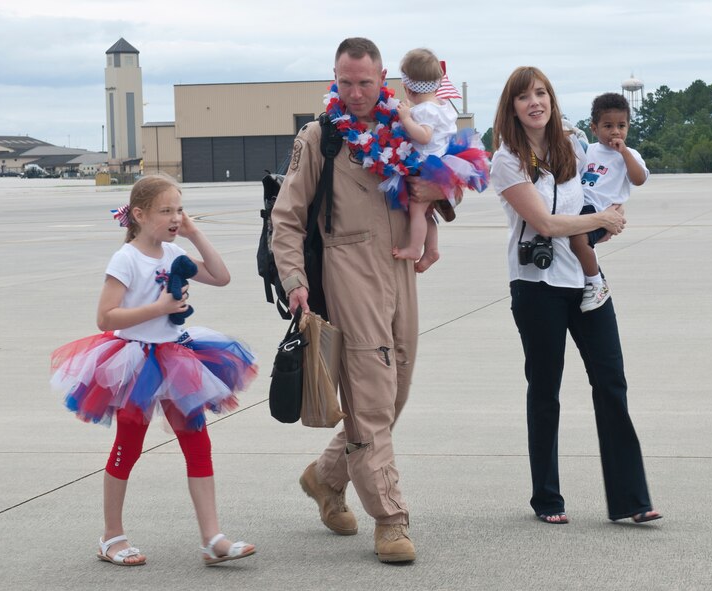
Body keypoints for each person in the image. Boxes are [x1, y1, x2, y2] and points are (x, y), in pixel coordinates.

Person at [271, 37, 453, 564]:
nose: (354, 92)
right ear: (334, 78)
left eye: (364, 83)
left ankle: (325, 477)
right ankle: (391, 519)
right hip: (346, 269)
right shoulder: (320, 138)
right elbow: (287, 218)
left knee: (395, 391)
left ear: (383, 82)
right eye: (344, 82)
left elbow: (442, 180)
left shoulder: (406, 129)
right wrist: (294, 281)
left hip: (400, 269)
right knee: (371, 398)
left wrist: (436, 199)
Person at [50, 174, 258, 566]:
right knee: (128, 448)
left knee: (198, 446)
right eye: (166, 211)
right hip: (133, 363)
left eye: (179, 209)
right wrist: (159, 309)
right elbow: (106, 316)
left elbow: (221, 276)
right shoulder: (126, 258)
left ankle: (212, 538)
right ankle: (111, 536)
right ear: (140, 215)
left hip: (176, 357)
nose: (176, 217)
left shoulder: (171, 252)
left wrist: (194, 235)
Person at [490, 67, 662, 525]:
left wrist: (602, 220)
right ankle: (547, 498)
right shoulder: (507, 160)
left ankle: (631, 499)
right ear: (512, 107)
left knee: (611, 381)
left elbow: (593, 197)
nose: (535, 102)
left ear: (552, 100)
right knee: (545, 390)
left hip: (587, 282)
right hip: (536, 287)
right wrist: (600, 220)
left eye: (542, 93)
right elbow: (545, 224)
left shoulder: (571, 149)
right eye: (524, 97)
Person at [392, 48, 490, 272]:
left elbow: (424, 136)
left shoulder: (424, 110)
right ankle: (432, 250)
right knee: (427, 212)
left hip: (428, 166)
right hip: (443, 162)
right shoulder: (441, 105)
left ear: (408, 87)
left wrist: (406, 119)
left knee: (417, 210)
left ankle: (416, 248)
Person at [570, 93, 648, 312]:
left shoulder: (630, 155)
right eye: (608, 126)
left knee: (577, 238)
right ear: (594, 129)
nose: (615, 131)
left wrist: (624, 153)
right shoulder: (588, 150)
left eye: (621, 125)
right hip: (579, 206)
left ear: (628, 126)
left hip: (599, 211)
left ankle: (595, 283)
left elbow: (639, 179)